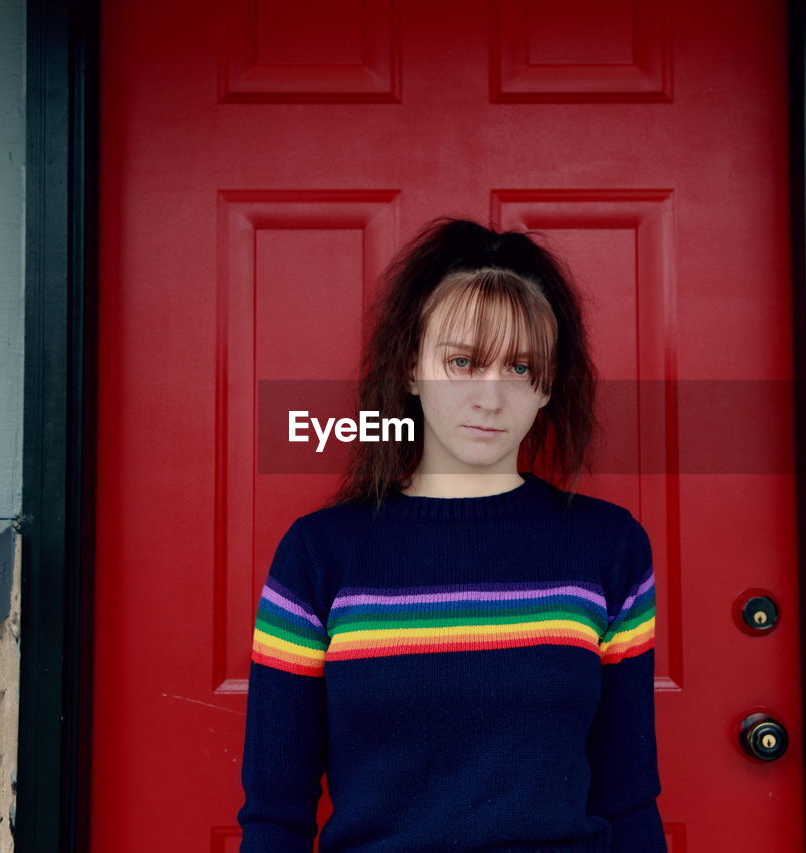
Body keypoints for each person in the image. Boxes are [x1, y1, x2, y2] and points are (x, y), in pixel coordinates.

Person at [236, 217, 667, 853]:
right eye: (462, 362)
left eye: (521, 367)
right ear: (410, 370)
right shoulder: (319, 555)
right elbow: (276, 812)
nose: (490, 398)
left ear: (547, 386)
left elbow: (627, 794)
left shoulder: (610, 547)